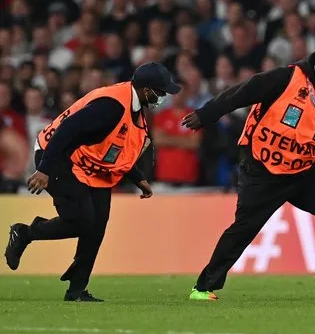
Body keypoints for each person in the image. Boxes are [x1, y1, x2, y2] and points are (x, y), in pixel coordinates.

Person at [182, 41, 315, 300]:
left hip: (302, 169)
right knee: (245, 228)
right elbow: (241, 92)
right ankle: (203, 288)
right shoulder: (287, 78)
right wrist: (206, 114)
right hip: (262, 168)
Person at [4, 62, 182, 302]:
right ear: (146, 89)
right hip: (57, 155)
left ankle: (77, 290)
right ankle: (24, 233)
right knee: (82, 220)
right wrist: (45, 169)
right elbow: (66, 130)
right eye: (161, 92)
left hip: (90, 165)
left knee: (97, 226)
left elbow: (119, 146)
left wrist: (138, 178)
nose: (163, 97)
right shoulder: (111, 107)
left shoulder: (135, 107)